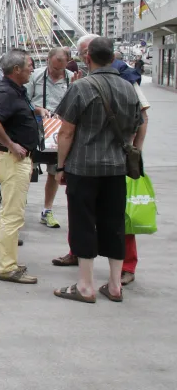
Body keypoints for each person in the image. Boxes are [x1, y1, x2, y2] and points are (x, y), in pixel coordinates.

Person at [52, 35, 151, 285]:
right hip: (117, 167)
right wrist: (132, 151)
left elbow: (66, 132)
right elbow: (138, 124)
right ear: (113, 56)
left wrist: (60, 166)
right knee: (114, 223)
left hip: (83, 166)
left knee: (83, 222)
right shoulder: (129, 88)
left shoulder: (81, 87)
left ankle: (85, 286)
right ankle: (115, 285)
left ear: (87, 58)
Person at [0, 49, 38, 284]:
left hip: (10, 158)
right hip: (13, 160)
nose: (32, 70)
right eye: (29, 66)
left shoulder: (13, 90)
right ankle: (7, 267)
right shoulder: (6, 92)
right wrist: (12, 144)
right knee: (13, 215)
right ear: (16, 70)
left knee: (7, 213)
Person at [25, 47, 71, 229]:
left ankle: (47, 210)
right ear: (47, 60)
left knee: (55, 172)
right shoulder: (35, 76)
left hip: (60, 131)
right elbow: (24, 99)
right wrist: (38, 109)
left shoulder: (72, 78)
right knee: (26, 169)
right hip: (36, 129)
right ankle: (18, 208)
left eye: (60, 69)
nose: (56, 73)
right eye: (53, 68)